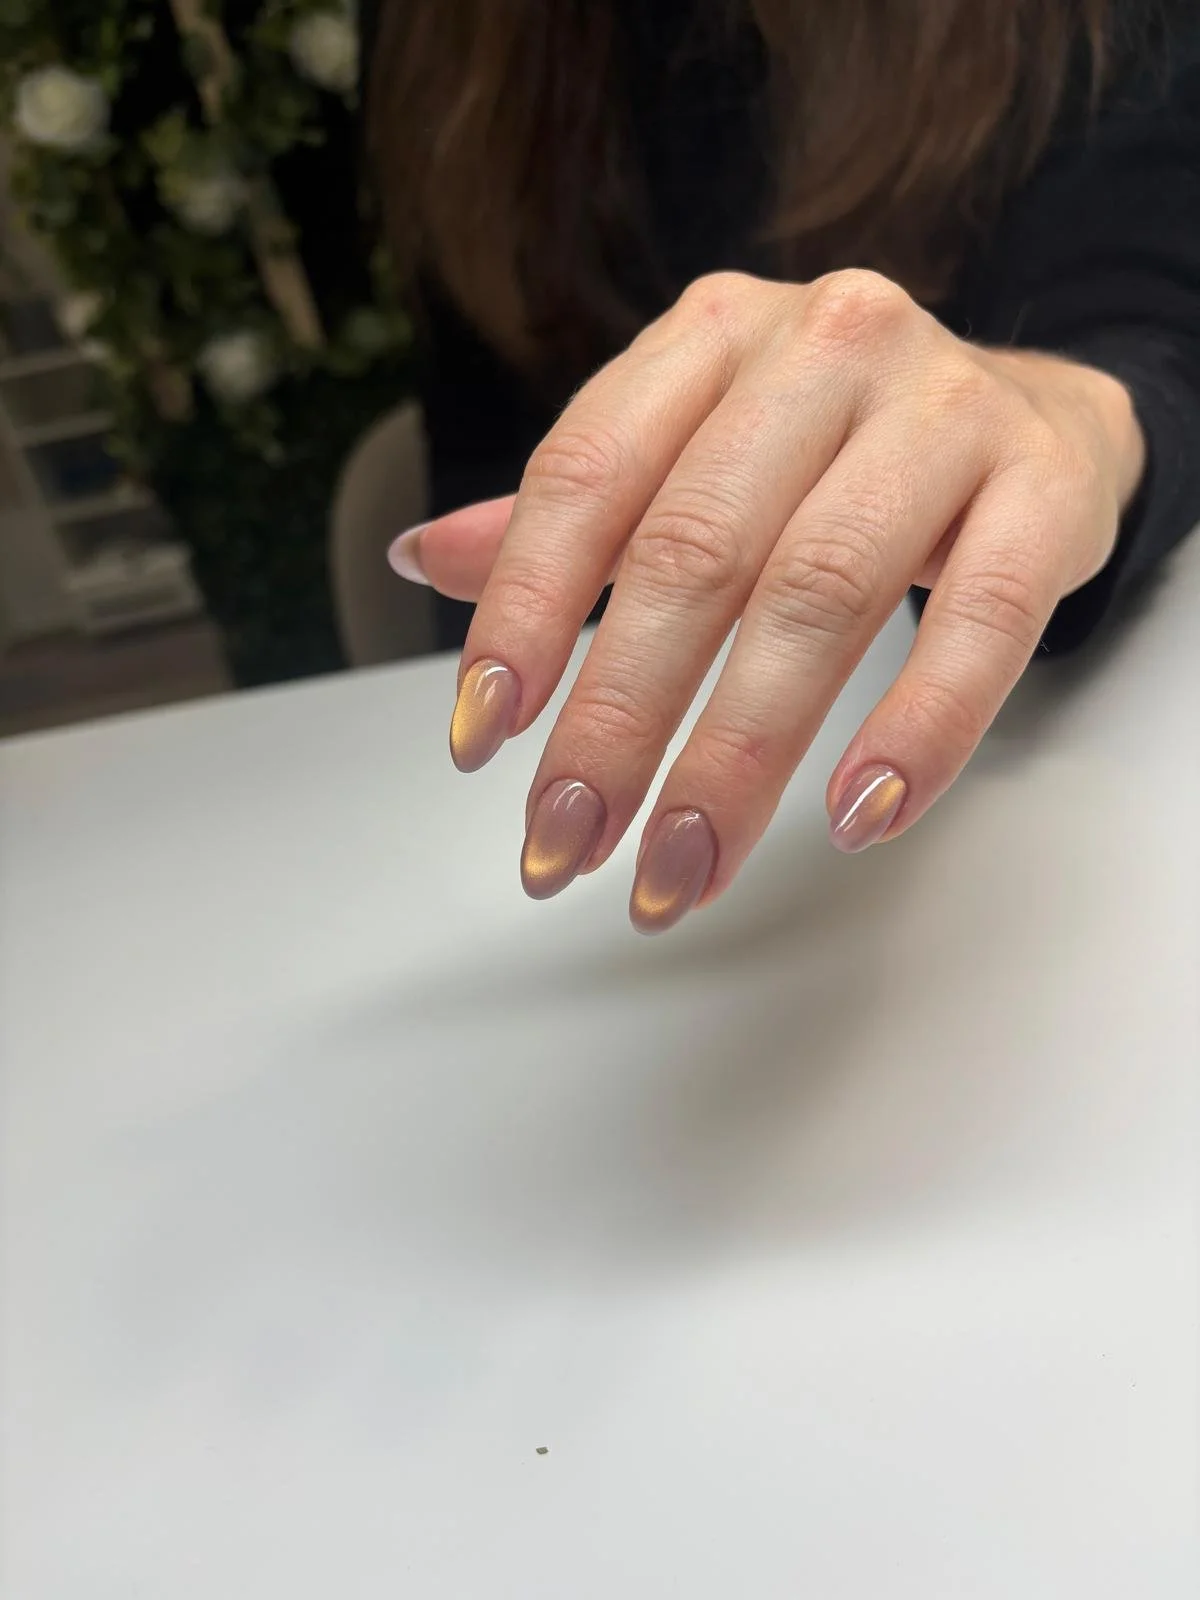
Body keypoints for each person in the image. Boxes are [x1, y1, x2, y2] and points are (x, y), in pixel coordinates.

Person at [365, 0, 1200, 932]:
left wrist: (1073, 415)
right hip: (527, 878)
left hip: (1042, 803)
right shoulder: (447, 35)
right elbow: (486, 419)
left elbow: (1151, 305)